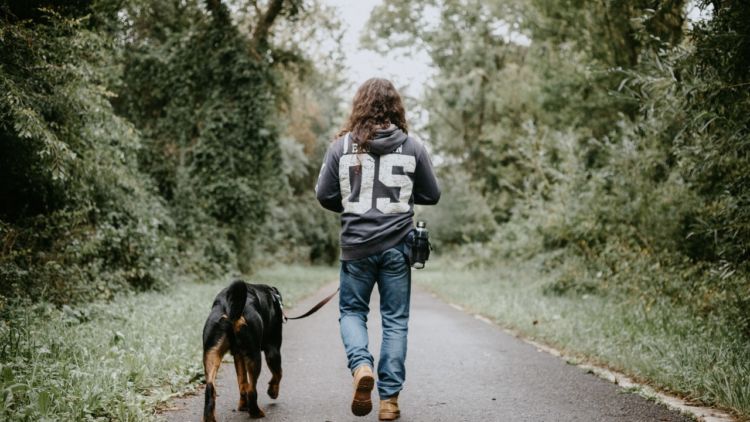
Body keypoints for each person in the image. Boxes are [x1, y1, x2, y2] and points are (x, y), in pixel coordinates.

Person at [315, 78, 441, 420]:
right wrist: (398, 197)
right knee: (395, 321)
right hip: (398, 247)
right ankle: (389, 402)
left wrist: (355, 202)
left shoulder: (340, 148)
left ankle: (361, 368)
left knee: (353, 313)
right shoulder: (412, 147)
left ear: (359, 106)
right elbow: (432, 194)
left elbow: (325, 195)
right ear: (396, 107)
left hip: (356, 247)